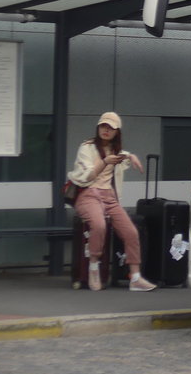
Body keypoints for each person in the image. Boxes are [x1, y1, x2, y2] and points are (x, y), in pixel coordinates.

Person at [67, 112, 157, 292]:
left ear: (117, 132)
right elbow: (86, 176)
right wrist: (105, 162)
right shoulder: (87, 147)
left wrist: (131, 156)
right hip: (88, 195)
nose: (106, 130)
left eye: (111, 128)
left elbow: (124, 155)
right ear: (98, 128)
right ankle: (94, 268)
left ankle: (136, 277)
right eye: (103, 126)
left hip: (109, 197)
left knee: (131, 232)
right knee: (99, 225)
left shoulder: (117, 151)